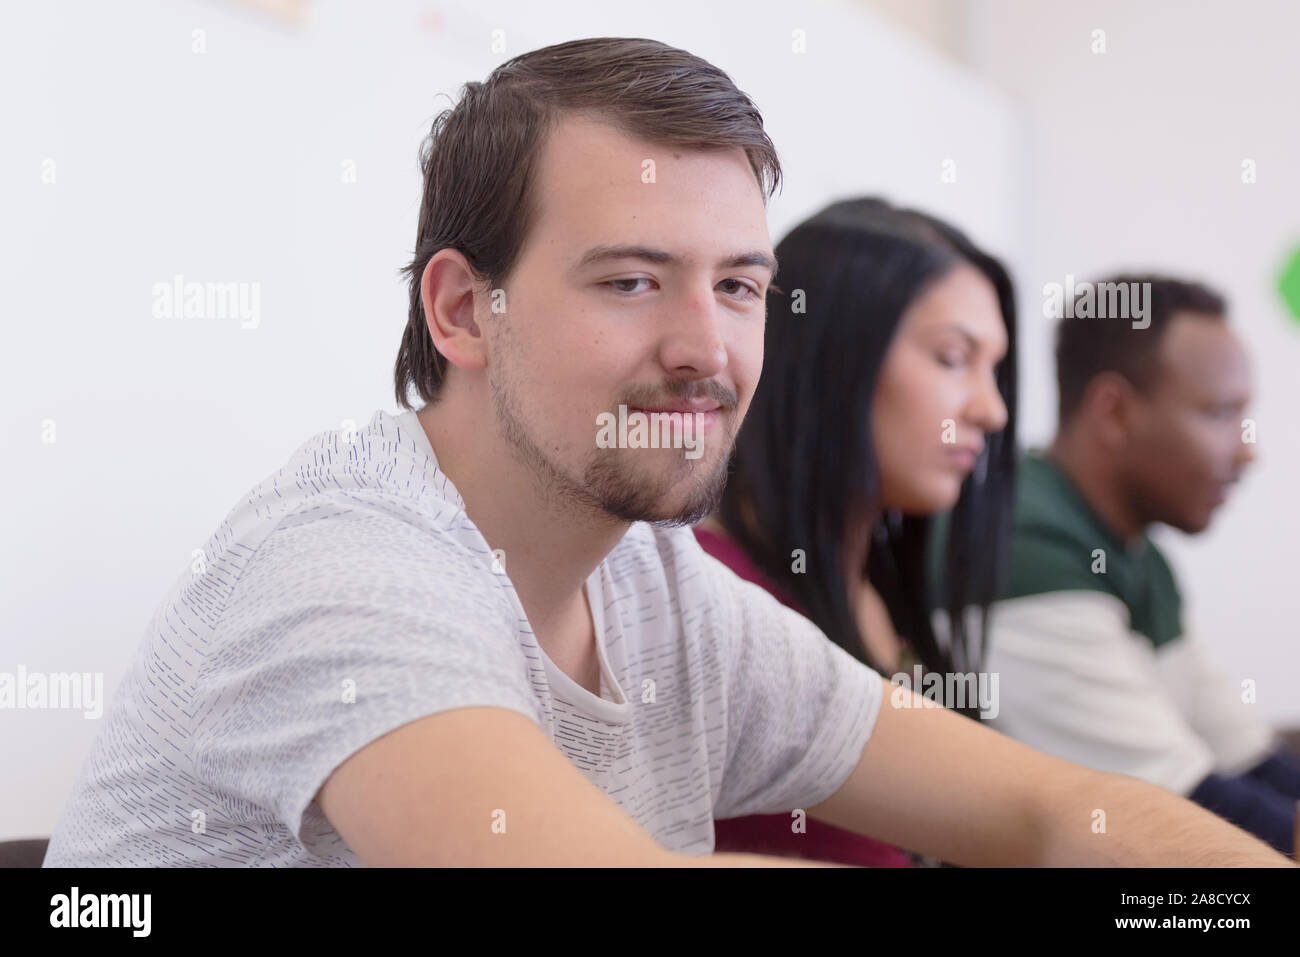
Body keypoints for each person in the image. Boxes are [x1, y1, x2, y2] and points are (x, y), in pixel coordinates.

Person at [44, 39, 1293, 867]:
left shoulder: (666, 593)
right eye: (632, 280)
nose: (707, 349)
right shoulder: (342, 568)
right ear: (461, 311)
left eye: (740, 287)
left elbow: (1044, 812)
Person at [694, 197, 1016, 865]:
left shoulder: (882, 592)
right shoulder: (708, 594)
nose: (992, 409)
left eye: (994, 367)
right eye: (953, 357)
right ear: (832, 358)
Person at [932, 275, 1300, 859]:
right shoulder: (1023, 544)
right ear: (1116, 411)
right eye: (1220, 414)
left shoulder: (1136, 554)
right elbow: (1188, 811)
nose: (1247, 450)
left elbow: (1244, 757)